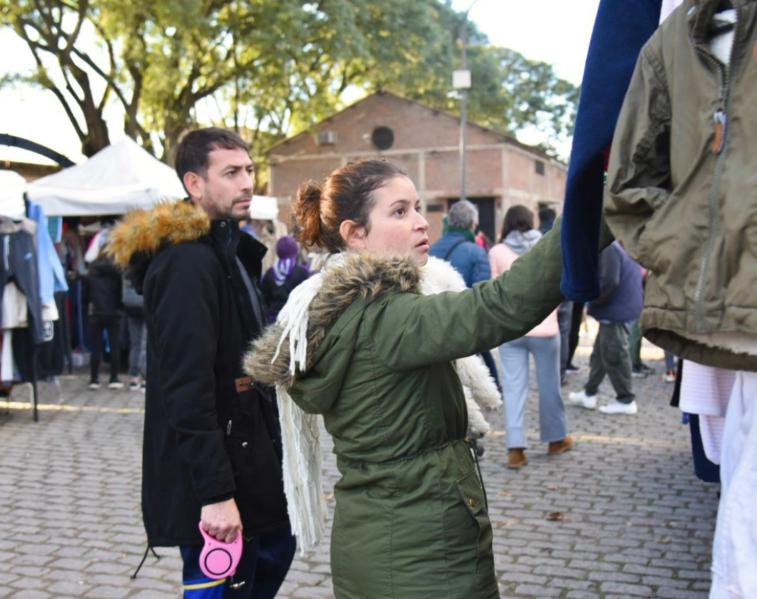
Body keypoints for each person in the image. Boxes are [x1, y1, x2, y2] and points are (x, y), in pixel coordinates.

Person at [243, 159, 568, 599]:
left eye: (418, 207)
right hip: (422, 557)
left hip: (381, 543)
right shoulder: (387, 317)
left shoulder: (345, 310)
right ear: (355, 234)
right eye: (399, 211)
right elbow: (500, 306)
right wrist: (588, 207)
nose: (421, 223)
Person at [106, 128, 294, 599]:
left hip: (249, 459)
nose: (247, 182)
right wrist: (214, 494)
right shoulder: (186, 263)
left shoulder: (226, 251)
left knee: (275, 552)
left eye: (249, 170)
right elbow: (184, 387)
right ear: (195, 183)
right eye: (231, 173)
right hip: (220, 476)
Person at [490, 206, 573, 468]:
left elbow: (494, 291)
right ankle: (555, 440)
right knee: (550, 387)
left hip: (511, 329)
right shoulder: (546, 246)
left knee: (514, 388)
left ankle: (516, 449)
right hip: (545, 327)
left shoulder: (497, 251)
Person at [430, 201, 501, 391]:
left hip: (435, 322)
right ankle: (492, 388)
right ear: (472, 225)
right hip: (464, 324)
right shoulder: (476, 252)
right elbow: (481, 295)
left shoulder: (431, 249)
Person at [569, 241, 644, 415]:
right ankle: (589, 392)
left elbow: (610, 281)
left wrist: (594, 301)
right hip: (622, 307)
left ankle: (626, 399)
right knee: (601, 354)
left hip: (616, 310)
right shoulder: (620, 244)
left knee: (615, 354)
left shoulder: (610, 247)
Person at [540, 207, 574, 383]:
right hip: (565, 291)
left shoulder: (536, 237)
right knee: (563, 333)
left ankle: (544, 372)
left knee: (544, 331)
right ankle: (560, 373)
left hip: (544, 291)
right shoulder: (565, 233)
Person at [84, 256, 124, 390]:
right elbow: (120, 294)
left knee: (96, 346)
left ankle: (94, 378)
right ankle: (114, 377)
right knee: (114, 346)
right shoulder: (116, 272)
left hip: (96, 311)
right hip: (113, 312)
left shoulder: (92, 273)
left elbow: (85, 295)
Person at [260, 235, 309, 322]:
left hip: (272, 320)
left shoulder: (270, 273)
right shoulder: (302, 273)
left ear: (278, 252)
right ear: (295, 251)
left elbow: (263, 300)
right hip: (294, 320)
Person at [121, 275, 147, 392]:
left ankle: (134, 378)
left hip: (131, 307)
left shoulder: (127, 266)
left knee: (135, 344)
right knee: (145, 344)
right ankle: (145, 380)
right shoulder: (147, 263)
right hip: (144, 305)